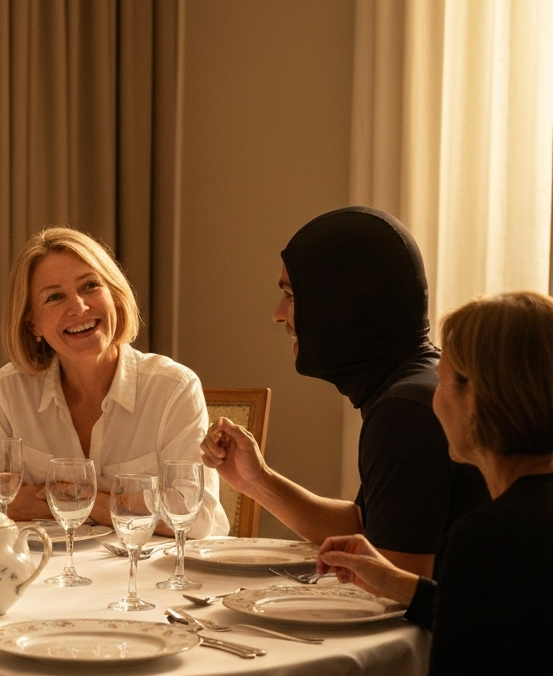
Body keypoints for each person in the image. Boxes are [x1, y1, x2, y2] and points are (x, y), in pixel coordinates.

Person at [203, 291, 553, 676]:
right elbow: (518, 621)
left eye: (445, 380)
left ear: (476, 400)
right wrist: (400, 586)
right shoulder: (524, 528)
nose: (434, 396)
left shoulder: (487, 536)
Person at [202, 207, 487, 576]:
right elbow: (365, 527)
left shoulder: (405, 411)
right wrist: (257, 481)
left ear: (339, 303)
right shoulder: (417, 384)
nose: (277, 314)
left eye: (291, 295)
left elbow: (398, 591)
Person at [0, 226, 229, 538]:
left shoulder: (173, 389)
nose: (78, 307)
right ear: (32, 322)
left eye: (89, 286)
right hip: (42, 574)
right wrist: (50, 504)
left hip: (145, 576)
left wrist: (85, 505)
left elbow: (196, 517)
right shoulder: (10, 392)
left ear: (114, 296)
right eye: (54, 297)